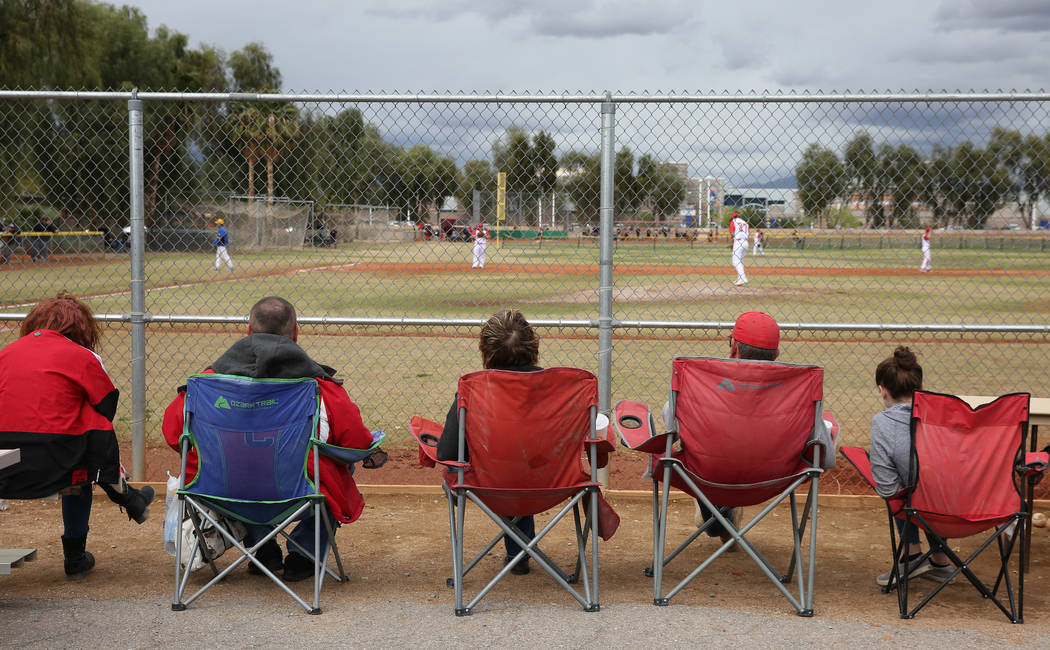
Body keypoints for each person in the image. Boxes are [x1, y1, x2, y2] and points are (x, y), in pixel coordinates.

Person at [161, 296, 380, 581]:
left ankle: (263, 549)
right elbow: (356, 443)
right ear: (296, 333)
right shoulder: (318, 388)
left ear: (248, 331)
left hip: (221, 492)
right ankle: (305, 555)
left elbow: (173, 433)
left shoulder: (205, 385)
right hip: (297, 495)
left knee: (246, 465)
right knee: (334, 466)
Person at [0, 292, 156, 580]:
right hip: (59, 461)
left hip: (5, 462)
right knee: (86, 449)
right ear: (82, 329)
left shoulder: (6, 353)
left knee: (79, 445)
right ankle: (75, 556)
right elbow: (106, 407)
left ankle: (129, 499)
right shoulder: (84, 356)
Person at [663, 311, 837, 546]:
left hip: (706, 478)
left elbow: (669, 422)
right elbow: (827, 460)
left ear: (733, 346)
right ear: (776, 354)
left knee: (700, 454)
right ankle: (725, 524)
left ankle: (720, 525)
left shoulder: (701, 384)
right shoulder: (799, 394)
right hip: (773, 480)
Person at [437, 309, 541, 574]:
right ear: (533, 346)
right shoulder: (558, 386)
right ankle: (521, 551)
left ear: (487, 351)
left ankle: (519, 551)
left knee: (499, 467)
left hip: (490, 482)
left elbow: (447, 451)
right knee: (519, 465)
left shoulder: (473, 389)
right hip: (553, 481)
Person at [869, 345, 953, 586]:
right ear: (922, 388)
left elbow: (887, 487)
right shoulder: (945, 413)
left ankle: (912, 553)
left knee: (903, 486)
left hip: (918, 506)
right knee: (931, 479)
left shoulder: (883, 422)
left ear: (882, 391)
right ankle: (940, 560)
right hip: (960, 504)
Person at [729, 212, 749, 285]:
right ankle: (739, 279)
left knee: (736, 261)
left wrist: (731, 242)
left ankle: (743, 278)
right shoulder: (745, 223)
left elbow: (732, 233)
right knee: (741, 261)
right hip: (746, 242)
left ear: (733, 217)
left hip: (738, 242)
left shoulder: (733, 221)